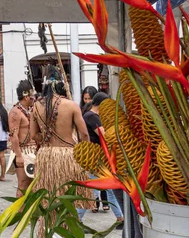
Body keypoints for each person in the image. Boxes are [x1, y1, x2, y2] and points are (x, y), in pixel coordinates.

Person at [30, 80, 94, 218]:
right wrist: (86, 154)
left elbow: (33, 135)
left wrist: (49, 137)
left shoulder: (36, 106)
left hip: (45, 156)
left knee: (48, 198)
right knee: (69, 198)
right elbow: (84, 134)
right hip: (67, 156)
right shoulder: (71, 105)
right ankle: (68, 233)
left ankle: (48, 234)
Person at [83, 92, 124, 220]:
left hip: (97, 156)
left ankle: (120, 217)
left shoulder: (90, 115)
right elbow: (104, 135)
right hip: (97, 157)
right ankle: (77, 218)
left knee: (109, 189)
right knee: (92, 191)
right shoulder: (92, 117)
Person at [8, 80, 36, 196]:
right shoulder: (15, 112)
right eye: (32, 95)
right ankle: (20, 212)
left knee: (35, 185)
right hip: (23, 151)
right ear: (26, 96)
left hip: (34, 150)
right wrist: (19, 156)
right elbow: (13, 135)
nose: (34, 97)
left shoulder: (33, 110)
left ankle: (32, 213)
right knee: (23, 184)